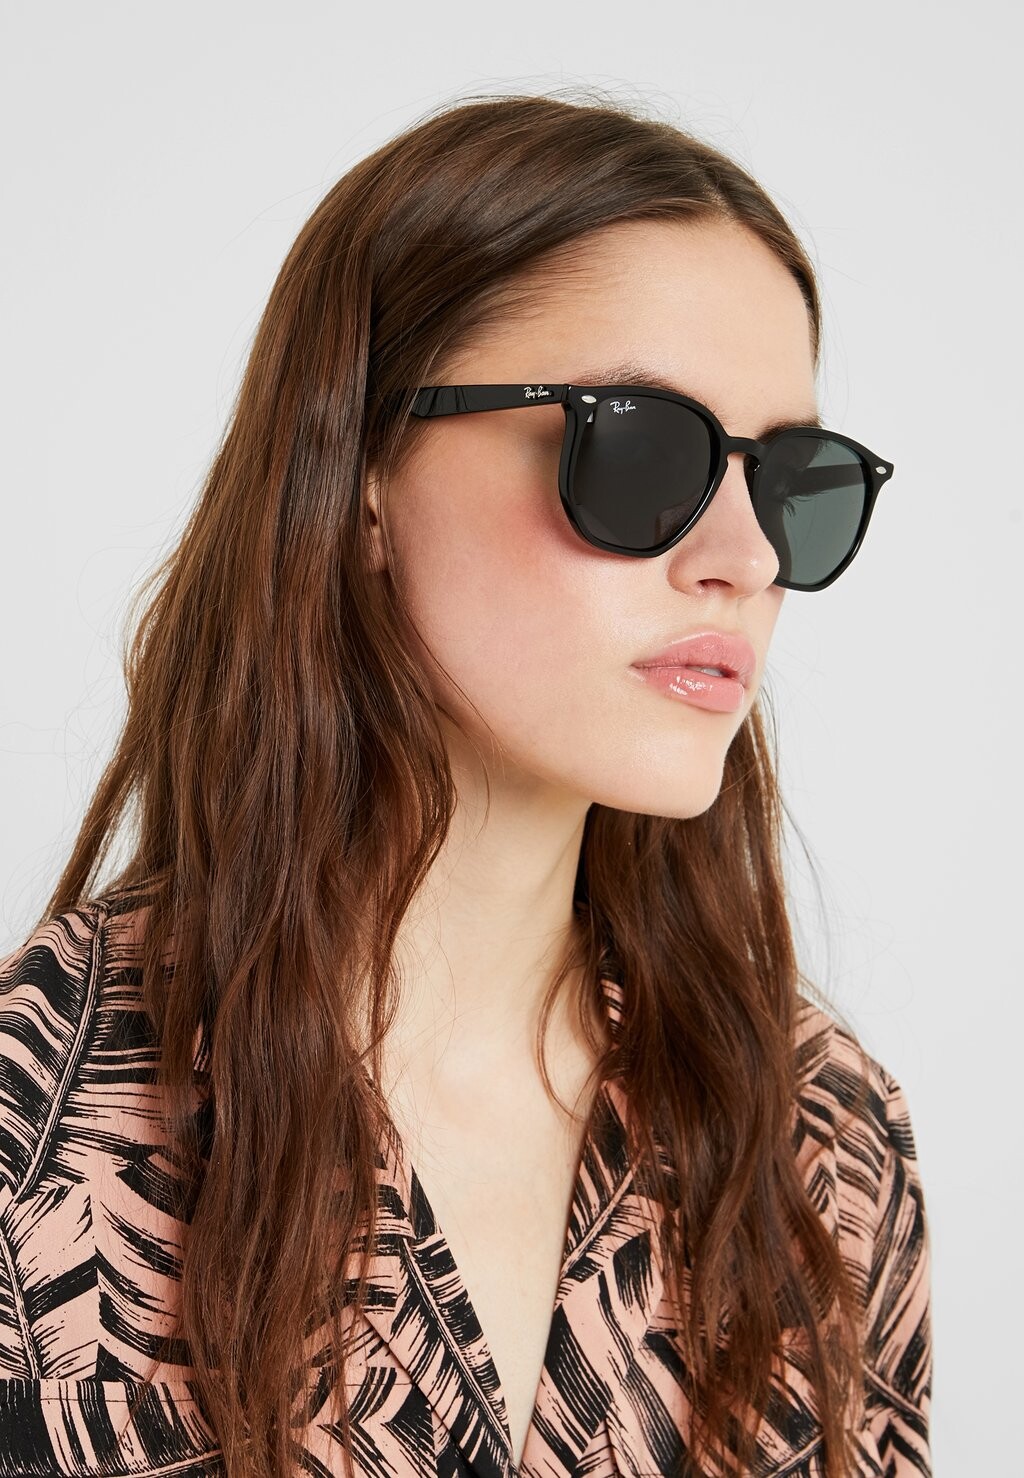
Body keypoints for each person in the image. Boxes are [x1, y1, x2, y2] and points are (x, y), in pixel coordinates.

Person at [0, 92, 931, 1478]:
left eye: (793, 479)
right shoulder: (35, 1135)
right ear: (364, 477)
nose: (743, 559)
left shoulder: (823, 1145)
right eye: (642, 450)